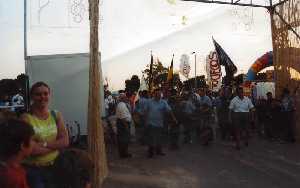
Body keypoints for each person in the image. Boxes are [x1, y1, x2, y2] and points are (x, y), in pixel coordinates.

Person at [21, 81, 69, 188]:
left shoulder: (55, 114)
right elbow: (31, 150)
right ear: (32, 97)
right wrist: (57, 146)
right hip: (34, 171)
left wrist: (43, 144)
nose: (42, 97)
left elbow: (65, 141)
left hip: (56, 166)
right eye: (38, 94)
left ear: (49, 95)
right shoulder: (26, 118)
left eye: (45, 93)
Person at [0, 119, 35, 188]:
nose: (34, 143)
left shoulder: (8, 167)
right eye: (32, 140)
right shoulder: (13, 177)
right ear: (22, 146)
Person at [144, 88, 178, 158]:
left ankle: (159, 151)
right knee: (151, 138)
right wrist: (145, 121)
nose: (158, 95)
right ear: (154, 94)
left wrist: (174, 118)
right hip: (151, 123)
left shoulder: (163, 102)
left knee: (159, 138)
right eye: (156, 94)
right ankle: (150, 152)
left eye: (159, 94)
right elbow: (146, 111)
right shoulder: (149, 102)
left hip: (160, 123)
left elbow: (169, 110)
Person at [115, 92, 132, 158]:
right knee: (124, 140)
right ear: (123, 98)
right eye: (125, 97)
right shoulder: (121, 105)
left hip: (122, 123)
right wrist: (126, 126)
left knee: (123, 139)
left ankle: (124, 153)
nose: (126, 98)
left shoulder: (122, 104)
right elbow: (123, 118)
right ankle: (124, 154)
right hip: (123, 124)